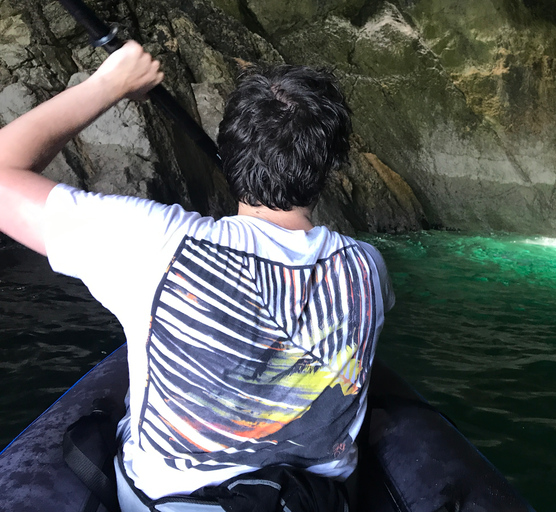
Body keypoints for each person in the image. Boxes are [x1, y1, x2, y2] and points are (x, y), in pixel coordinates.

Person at [0, 41, 393, 511]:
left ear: (230, 154)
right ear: (328, 166)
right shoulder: (367, 267)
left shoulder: (156, 242)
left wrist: (108, 85)